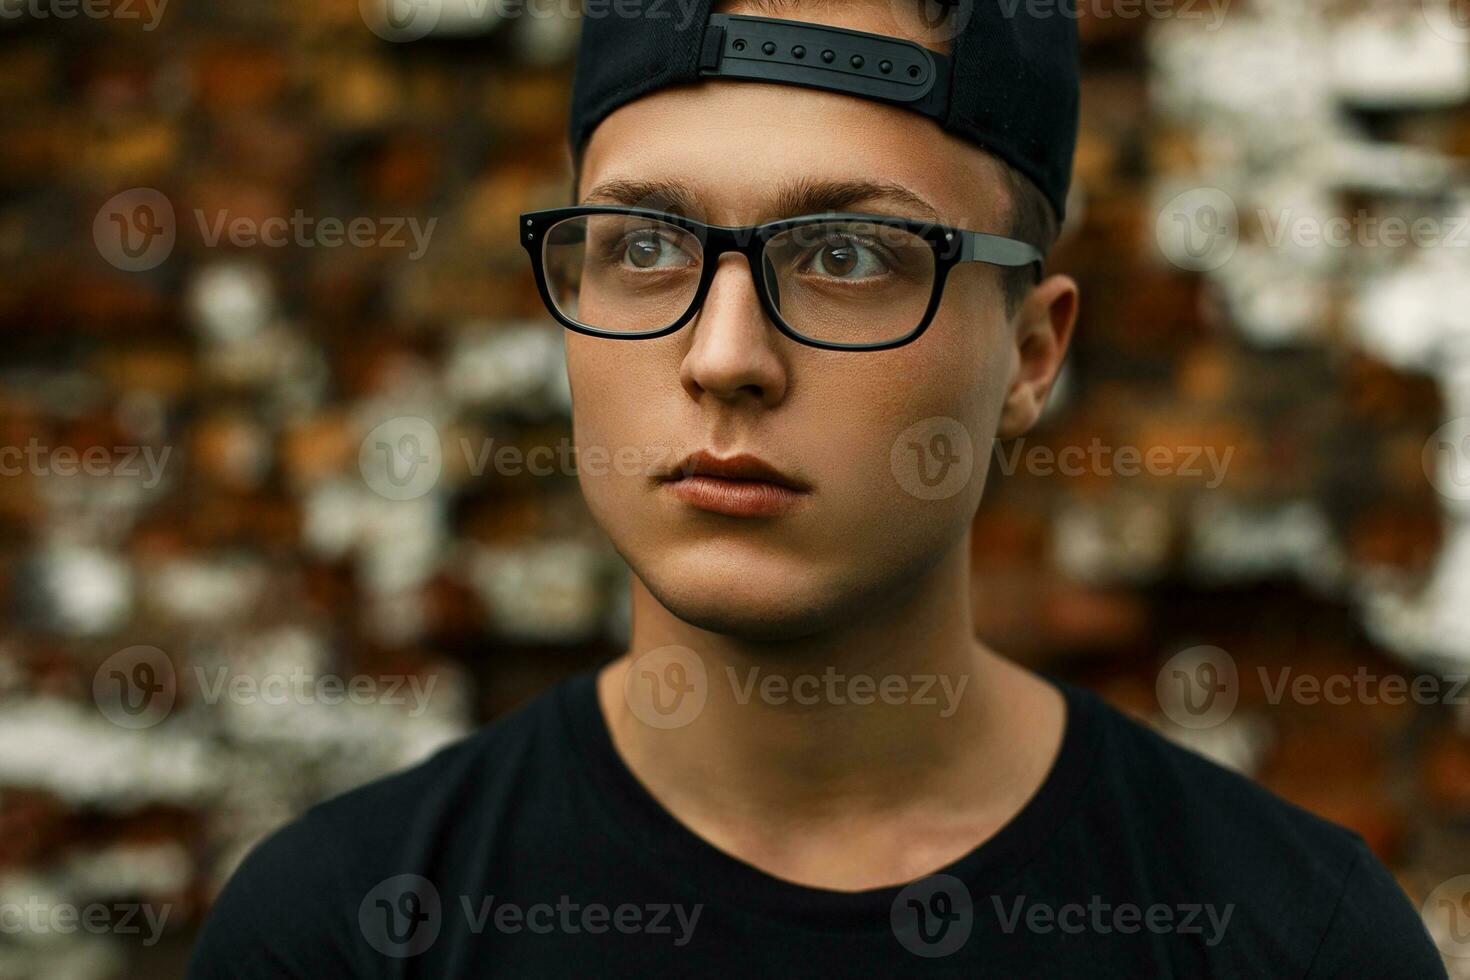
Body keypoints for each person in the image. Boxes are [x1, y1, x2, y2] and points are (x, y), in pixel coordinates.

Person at [188, 0, 1448, 975]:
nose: (725, 354)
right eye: (642, 247)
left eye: (848, 254)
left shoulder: (1281, 934)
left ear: (1030, 354)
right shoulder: (346, 931)